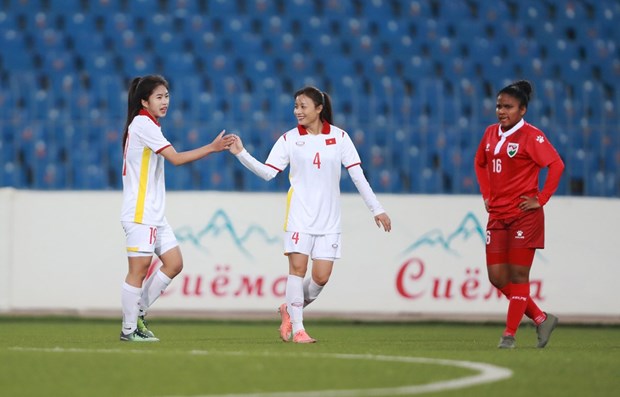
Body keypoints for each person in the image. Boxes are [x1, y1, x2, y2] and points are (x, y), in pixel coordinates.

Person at [228, 86, 391, 343]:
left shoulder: (340, 137)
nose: (297, 111)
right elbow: (269, 172)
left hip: (329, 220)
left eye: (303, 106)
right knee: (297, 270)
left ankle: (288, 308)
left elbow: (358, 175)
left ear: (319, 108)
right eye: (295, 106)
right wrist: (242, 154)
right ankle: (299, 329)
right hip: (299, 217)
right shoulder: (289, 139)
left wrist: (376, 208)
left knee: (321, 278)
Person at [119, 74, 235, 342]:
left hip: (154, 214)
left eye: (167, 96)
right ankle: (128, 330)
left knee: (174, 263)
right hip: (140, 213)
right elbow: (176, 159)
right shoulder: (143, 124)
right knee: (138, 270)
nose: (165, 101)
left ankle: (138, 313)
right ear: (144, 101)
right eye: (159, 96)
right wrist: (213, 147)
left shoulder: (149, 125)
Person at [474, 80, 565, 349]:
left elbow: (556, 165)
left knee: (518, 277)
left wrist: (541, 199)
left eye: (509, 107)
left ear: (522, 110)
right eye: (499, 106)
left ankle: (509, 334)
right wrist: (487, 195)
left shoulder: (532, 136)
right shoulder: (490, 133)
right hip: (498, 215)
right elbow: (480, 164)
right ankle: (541, 318)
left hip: (524, 216)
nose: (502, 111)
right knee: (497, 278)